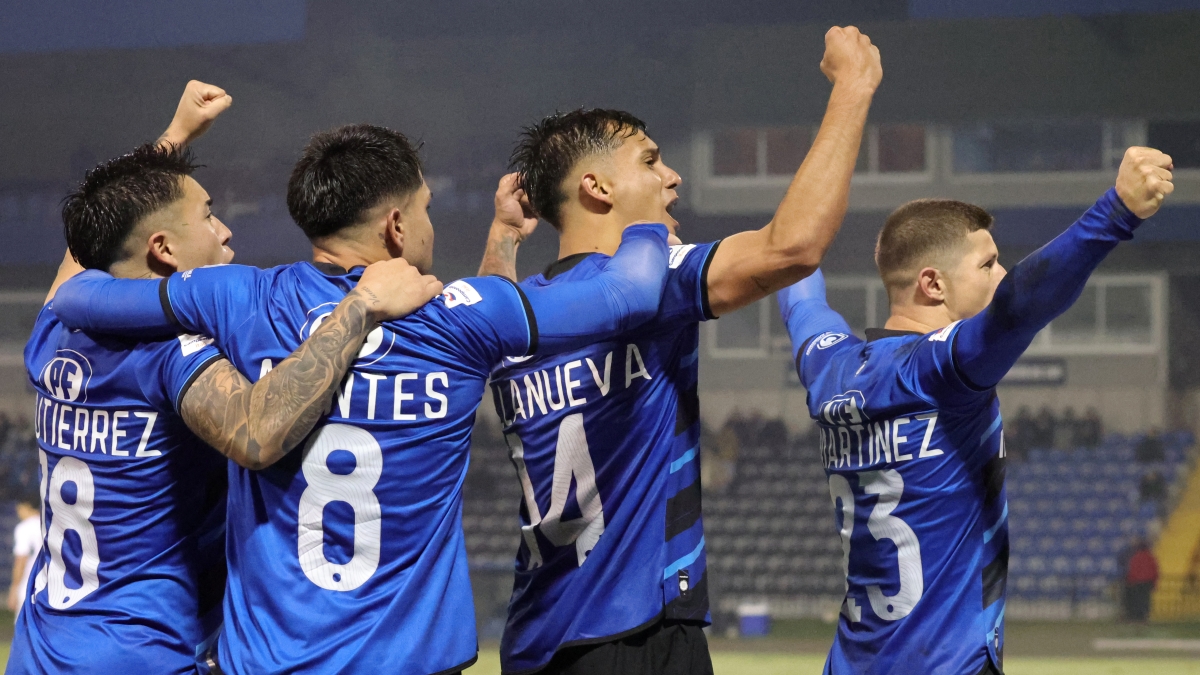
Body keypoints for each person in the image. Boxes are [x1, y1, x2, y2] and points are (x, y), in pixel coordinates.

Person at [51, 123, 676, 674]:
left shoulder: (237, 297)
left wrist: (504, 239)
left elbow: (76, 297)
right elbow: (631, 294)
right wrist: (643, 212)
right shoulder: (457, 315)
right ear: (397, 226)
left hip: (269, 661)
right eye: (425, 208)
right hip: (411, 661)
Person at [477, 25, 881, 674]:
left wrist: (503, 237)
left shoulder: (519, 314)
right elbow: (791, 247)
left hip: (535, 639)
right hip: (637, 634)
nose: (671, 176)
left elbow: (491, 306)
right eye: (648, 160)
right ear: (598, 188)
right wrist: (854, 89)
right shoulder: (648, 276)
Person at [10, 84, 439, 675]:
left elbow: (94, 243)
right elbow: (257, 434)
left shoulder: (52, 332)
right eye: (209, 216)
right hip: (144, 654)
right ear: (163, 249)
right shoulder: (170, 354)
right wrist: (361, 305)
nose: (225, 232)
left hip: (40, 647)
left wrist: (174, 138)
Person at [777, 146, 1173, 674]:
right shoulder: (940, 370)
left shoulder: (827, 366)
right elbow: (1019, 306)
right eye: (987, 263)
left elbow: (798, 287)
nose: (1000, 273)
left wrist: (792, 222)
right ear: (933, 283)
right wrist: (1117, 210)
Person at [7, 494, 41, 620]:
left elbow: (21, 559)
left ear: (26, 507)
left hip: (29, 582)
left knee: (24, 629)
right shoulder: (50, 524)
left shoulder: (24, 528)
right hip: (51, 583)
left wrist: (14, 588)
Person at [1124, 538, 1159, 622]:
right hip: (1147, 582)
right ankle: (1144, 616)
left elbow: (1132, 570)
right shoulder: (1150, 557)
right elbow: (1155, 571)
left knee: (1137, 600)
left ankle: (1136, 616)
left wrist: (1130, 581)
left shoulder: (1135, 557)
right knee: (1145, 600)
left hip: (1137, 582)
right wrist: (1154, 583)